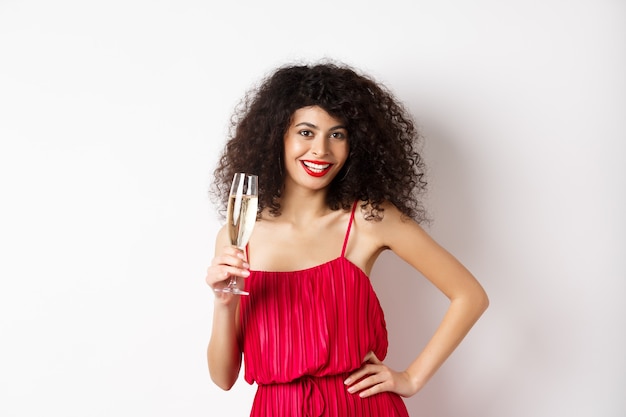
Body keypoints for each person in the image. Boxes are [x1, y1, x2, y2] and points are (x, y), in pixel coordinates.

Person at [205, 61, 489, 416]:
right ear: (277, 136)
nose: (321, 150)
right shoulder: (238, 235)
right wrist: (223, 303)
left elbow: (469, 295)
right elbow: (223, 377)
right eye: (306, 132)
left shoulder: (371, 219)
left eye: (337, 134)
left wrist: (412, 379)